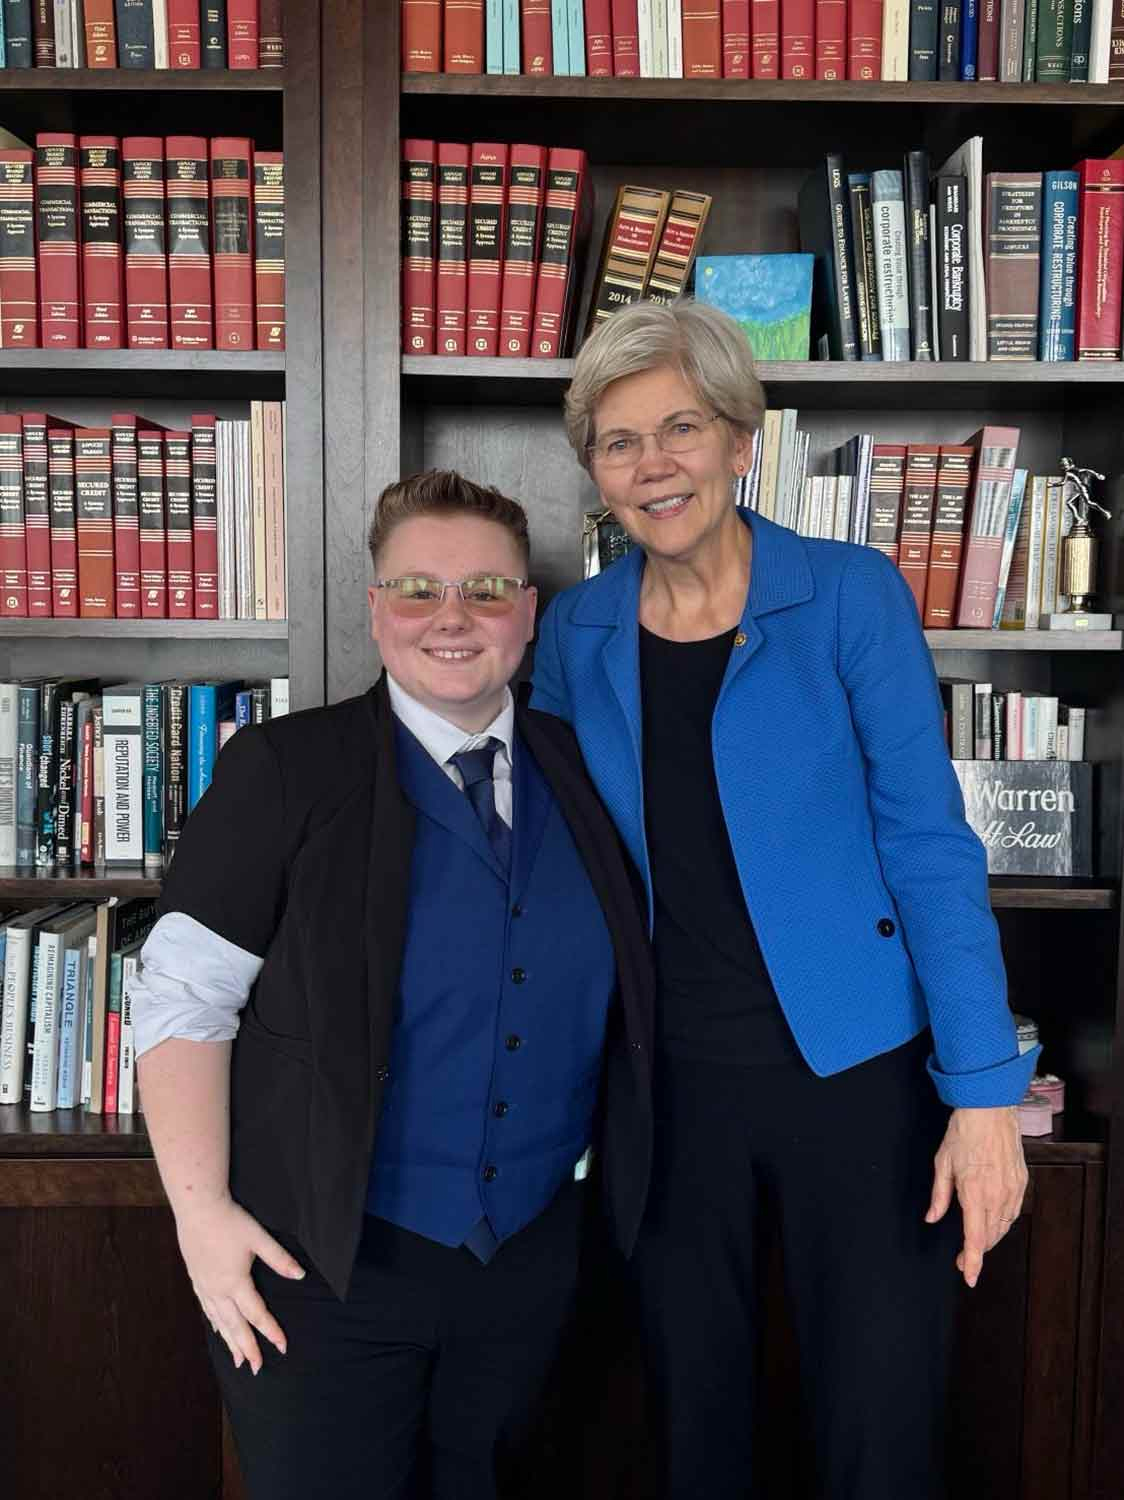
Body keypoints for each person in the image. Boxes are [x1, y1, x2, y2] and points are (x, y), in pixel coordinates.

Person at [529, 298, 1039, 1500]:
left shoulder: (848, 596)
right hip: (665, 1089)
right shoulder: (574, 632)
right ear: (594, 472)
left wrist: (980, 1099)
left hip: (855, 1077)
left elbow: (928, 848)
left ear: (741, 439)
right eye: (617, 442)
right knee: (689, 1421)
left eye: (681, 428)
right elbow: (553, 867)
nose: (652, 464)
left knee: (877, 1419)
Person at [130, 470, 653, 1500]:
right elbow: (183, 997)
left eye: (487, 591)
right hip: (319, 1271)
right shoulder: (283, 769)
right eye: (417, 588)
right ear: (374, 610)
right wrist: (200, 1221)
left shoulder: (590, 769)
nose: (451, 618)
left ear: (528, 611)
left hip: (534, 1266)